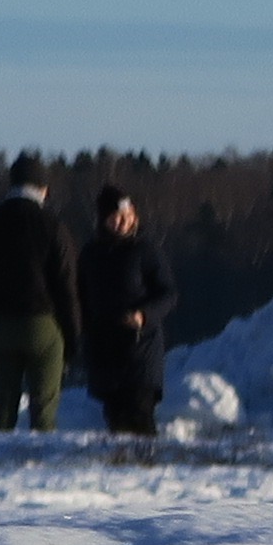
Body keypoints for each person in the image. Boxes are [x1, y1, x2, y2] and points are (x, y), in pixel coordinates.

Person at [0, 157, 80, 444]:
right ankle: (41, 471)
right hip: (42, 325)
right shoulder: (52, 226)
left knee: (3, 410)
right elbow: (66, 285)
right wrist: (73, 337)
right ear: (43, 188)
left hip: (0, 326)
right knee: (44, 410)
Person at [74, 183, 178, 453]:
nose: (122, 222)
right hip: (105, 351)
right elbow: (81, 298)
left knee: (140, 417)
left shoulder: (145, 250)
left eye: (127, 215)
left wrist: (144, 315)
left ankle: (149, 468)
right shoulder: (91, 254)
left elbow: (168, 293)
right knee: (116, 422)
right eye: (116, 217)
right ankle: (125, 480)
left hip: (140, 349)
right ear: (103, 219)